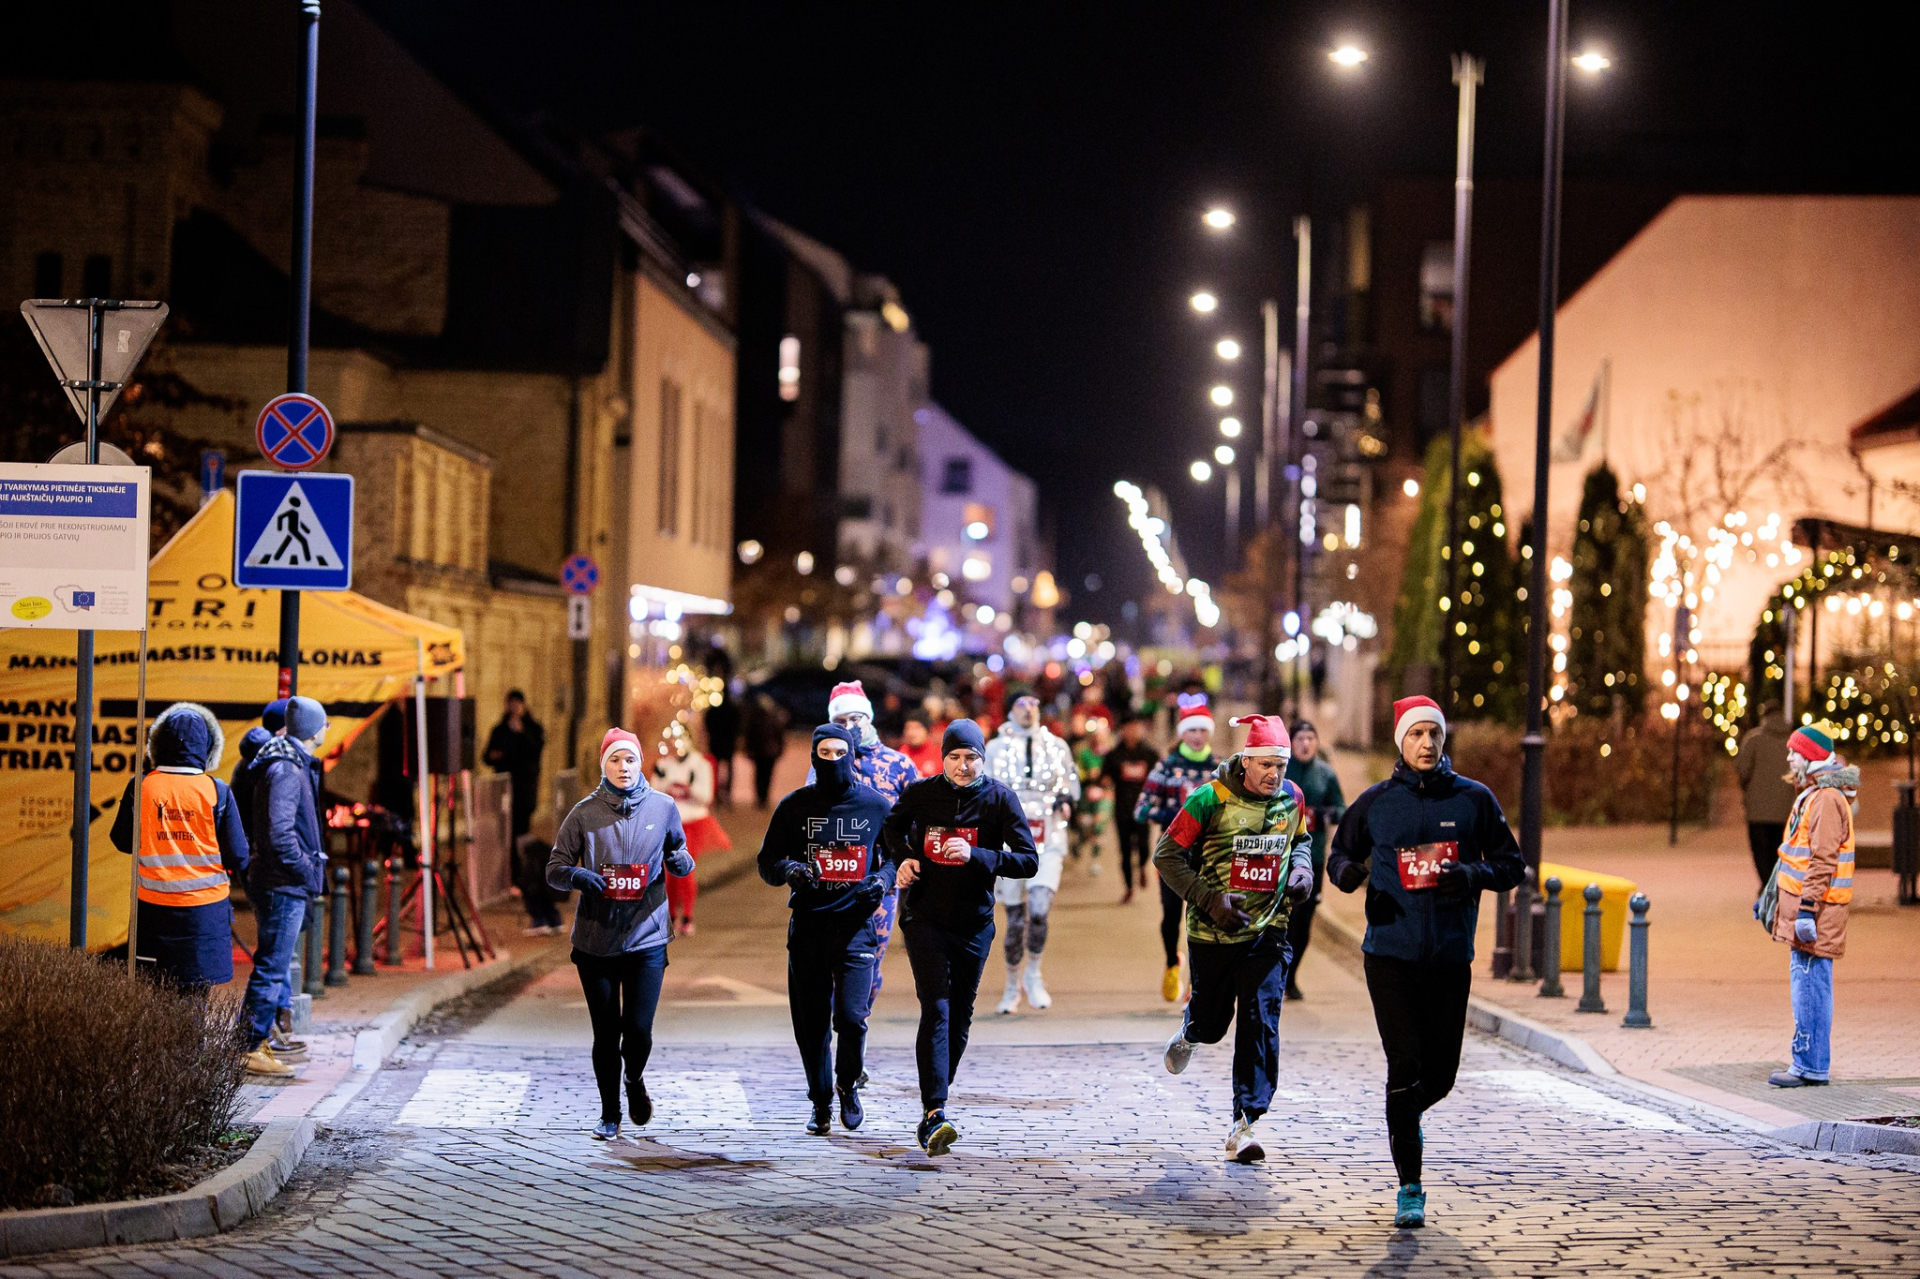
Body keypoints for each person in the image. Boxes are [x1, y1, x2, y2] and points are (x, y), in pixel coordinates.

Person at [1328, 695, 1525, 1229]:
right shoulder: (1376, 802)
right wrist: (1353, 876)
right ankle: (1409, 1186)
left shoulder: (1473, 800)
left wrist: (1472, 875)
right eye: (1416, 734)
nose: (1427, 744)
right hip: (1388, 955)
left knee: (1440, 1077)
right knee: (1405, 1068)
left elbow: (1512, 865)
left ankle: (1403, 1112)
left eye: (1434, 735)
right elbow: (1339, 856)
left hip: (1447, 957)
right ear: (1401, 740)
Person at [1156, 715, 1314, 1165]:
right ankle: (1191, 1030)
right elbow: (1166, 855)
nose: (1274, 775)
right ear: (1245, 761)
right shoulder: (1210, 798)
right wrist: (1209, 899)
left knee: (1261, 1017)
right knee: (1213, 1021)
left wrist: (1301, 869)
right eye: (1265, 764)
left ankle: (1244, 1124)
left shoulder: (1292, 798)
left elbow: (1300, 839)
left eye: (1281, 766)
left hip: (1270, 927)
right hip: (1213, 931)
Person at [881, 719, 1040, 1155]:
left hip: (974, 923)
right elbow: (890, 828)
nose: (963, 766)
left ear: (982, 759)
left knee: (961, 1016)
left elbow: (1028, 861)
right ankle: (935, 1112)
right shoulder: (921, 793)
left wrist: (978, 855)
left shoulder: (999, 799)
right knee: (937, 1007)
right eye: (955, 757)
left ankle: (935, 1094)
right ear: (942, 758)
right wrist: (905, 859)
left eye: (971, 758)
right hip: (924, 918)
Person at [547, 728, 696, 1139]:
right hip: (596, 940)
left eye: (629, 759)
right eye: (615, 760)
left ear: (639, 763)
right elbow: (554, 868)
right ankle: (609, 1113)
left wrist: (680, 861)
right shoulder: (583, 814)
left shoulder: (663, 807)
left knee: (639, 1031)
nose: (623, 767)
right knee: (605, 1033)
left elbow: (679, 852)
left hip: (646, 937)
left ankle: (634, 1079)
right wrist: (578, 875)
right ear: (604, 765)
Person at [757, 724, 895, 1133]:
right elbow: (767, 862)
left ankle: (848, 1085)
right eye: (824, 753)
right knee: (811, 1025)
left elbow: (895, 857)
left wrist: (881, 882)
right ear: (815, 757)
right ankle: (820, 1102)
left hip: (856, 929)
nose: (832, 760)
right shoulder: (794, 806)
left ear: (853, 756)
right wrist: (789, 870)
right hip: (809, 929)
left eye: (840, 753)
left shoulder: (875, 806)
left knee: (852, 1019)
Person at [110, 703, 249, 993]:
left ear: (157, 745)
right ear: (208, 749)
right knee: (195, 999)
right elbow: (238, 854)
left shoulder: (141, 786)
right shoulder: (216, 791)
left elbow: (122, 840)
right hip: (204, 915)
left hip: (153, 911)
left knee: (156, 997)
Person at [810, 681, 920, 1013]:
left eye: (856, 718)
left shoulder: (898, 765)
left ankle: (855, 1034)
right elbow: (808, 818)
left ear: (869, 718)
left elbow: (918, 819)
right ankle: (831, 1034)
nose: (850, 727)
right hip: (833, 884)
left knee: (869, 965)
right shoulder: (824, 765)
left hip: (881, 883)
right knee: (831, 965)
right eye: (841, 722)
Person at [238, 696, 331, 1078]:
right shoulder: (287, 769)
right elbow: (280, 835)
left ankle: (259, 1042)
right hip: (283, 882)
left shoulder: (288, 763)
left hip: (279, 879)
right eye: (323, 723)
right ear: (311, 729)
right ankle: (249, 1046)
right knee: (272, 966)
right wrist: (308, 869)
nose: (327, 729)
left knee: (272, 963)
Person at [1767, 722, 1857, 1089]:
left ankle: (1810, 1065)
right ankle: (1809, 1063)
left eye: (1794, 752)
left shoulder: (1825, 800)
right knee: (1808, 984)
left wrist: (1806, 910)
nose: (1789, 757)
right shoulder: (1816, 794)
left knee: (1810, 988)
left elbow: (1821, 860)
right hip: (1811, 911)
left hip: (1817, 914)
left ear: (1811, 757)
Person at [982, 694, 1079, 1013]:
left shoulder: (1056, 745)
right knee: (1015, 921)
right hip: (1010, 845)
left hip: (1048, 837)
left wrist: (1066, 801)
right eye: (1021, 705)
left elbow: (1071, 785)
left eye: (1034, 704)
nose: (1028, 710)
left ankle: (1034, 974)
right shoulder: (996, 748)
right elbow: (984, 790)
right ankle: (1012, 985)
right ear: (1011, 710)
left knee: (1039, 910)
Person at [1135, 693, 1220, 1002]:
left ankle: (1197, 980)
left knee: (1201, 917)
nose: (1197, 737)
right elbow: (1141, 809)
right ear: (1182, 732)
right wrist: (1175, 816)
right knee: (1172, 914)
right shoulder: (1167, 767)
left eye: (1202, 731)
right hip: (1173, 855)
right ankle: (1173, 962)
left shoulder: (1219, 769)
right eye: (1191, 731)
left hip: (1209, 855)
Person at [1282, 719, 1346, 1001]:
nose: (1305, 744)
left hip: (1314, 857)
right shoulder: (1281, 770)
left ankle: (1291, 975)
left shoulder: (1326, 774)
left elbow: (1342, 809)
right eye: (1300, 739)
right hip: (1280, 858)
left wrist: (1321, 815)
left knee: (1304, 920)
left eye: (1310, 738)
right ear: (1291, 743)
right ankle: (1274, 973)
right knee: (1281, 919)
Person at [484, 690, 556, 935]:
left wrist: (520, 736)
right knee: (504, 837)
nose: (514, 708)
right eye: (510, 703)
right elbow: (489, 755)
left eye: (517, 704)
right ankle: (509, 877)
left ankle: (523, 879)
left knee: (521, 836)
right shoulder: (500, 728)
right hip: (503, 794)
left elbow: (534, 751)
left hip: (524, 794)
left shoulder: (532, 728)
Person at [652, 722, 732, 936]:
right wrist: (667, 787)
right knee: (668, 873)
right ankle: (670, 915)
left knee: (685, 872)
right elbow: (654, 794)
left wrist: (688, 789)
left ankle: (687, 915)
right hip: (669, 825)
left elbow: (706, 797)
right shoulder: (663, 764)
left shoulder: (700, 764)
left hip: (693, 823)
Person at [1100, 715, 1160, 903]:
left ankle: (1142, 866)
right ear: (1122, 730)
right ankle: (1128, 887)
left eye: (1136, 727)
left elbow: (1160, 776)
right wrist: (1103, 781)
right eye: (1129, 728)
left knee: (1143, 846)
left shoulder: (1149, 754)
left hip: (1143, 808)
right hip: (1122, 809)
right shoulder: (1114, 754)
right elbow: (1104, 776)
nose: (1133, 731)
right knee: (1125, 850)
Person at [1735, 704, 1796, 887]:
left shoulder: (1753, 739)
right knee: (1781, 850)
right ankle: (1779, 886)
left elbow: (1743, 770)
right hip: (1786, 808)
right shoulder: (1793, 741)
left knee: (1762, 852)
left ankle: (1767, 887)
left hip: (1758, 811)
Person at [1071, 720, 1112, 874]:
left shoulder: (1109, 753)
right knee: (1085, 824)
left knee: (1098, 826)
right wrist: (1086, 775)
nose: (1097, 739)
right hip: (1086, 793)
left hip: (1104, 794)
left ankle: (1095, 860)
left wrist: (1108, 781)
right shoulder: (1082, 752)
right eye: (1095, 736)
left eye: (1100, 735)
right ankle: (1079, 842)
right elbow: (1076, 772)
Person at [743, 690, 790, 809]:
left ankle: (761, 797)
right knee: (766, 774)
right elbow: (779, 736)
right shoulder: (774, 718)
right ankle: (763, 797)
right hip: (769, 751)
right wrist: (780, 748)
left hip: (761, 751)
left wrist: (748, 748)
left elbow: (750, 735)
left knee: (760, 774)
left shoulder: (755, 718)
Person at [704, 683, 742, 804]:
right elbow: (738, 726)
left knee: (716, 768)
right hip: (728, 742)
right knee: (729, 767)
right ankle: (728, 793)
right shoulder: (733, 709)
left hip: (716, 742)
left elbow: (708, 723)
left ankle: (716, 794)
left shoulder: (714, 710)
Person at [900, 712, 943, 778]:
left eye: (917, 728)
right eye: (908, 728)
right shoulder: (899, 755)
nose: (911, 733)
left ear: (927, 730)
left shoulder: (940, 756)